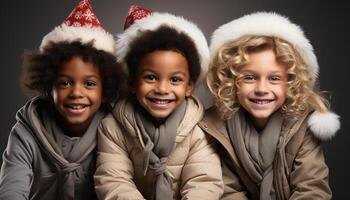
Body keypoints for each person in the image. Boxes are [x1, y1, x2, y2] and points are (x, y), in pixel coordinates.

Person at [200, 12, 340, 200]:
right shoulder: (217, 127)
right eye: (249, 77)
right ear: (230, 80)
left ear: (291, 82)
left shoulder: (303, 126)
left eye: (274, 78)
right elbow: (227, 189)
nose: (261, 89)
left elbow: (312, 188)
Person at [94, 5, 223, 200]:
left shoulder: (199, 129)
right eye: (151, 77)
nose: (162, 89)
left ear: (189, 86)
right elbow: (114, 181)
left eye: (175, 80)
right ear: (132, 82)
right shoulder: (113, 127)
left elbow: (204, 182)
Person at [0, 0, 124, 199]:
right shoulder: (26, 133)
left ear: (106, 87)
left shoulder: (114, 130)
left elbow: (121, 185)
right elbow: (12, 186)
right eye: (65, 83)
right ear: (49, 85)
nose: (76, 92)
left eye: (89, 84)